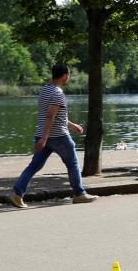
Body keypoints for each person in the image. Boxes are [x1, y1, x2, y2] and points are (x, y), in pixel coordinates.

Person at [7, 64, 98, 208]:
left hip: (43, 134)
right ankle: (79, 194)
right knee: (72, 163)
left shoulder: (45, 90)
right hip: (58, 137)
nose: (69, 77)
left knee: (34, 166)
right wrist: (44, 139)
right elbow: (50, 116)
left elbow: (53, 115)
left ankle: (17, 195)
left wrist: (71, 125)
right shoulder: (58, 93)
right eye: (68, 74)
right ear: (64, 76)